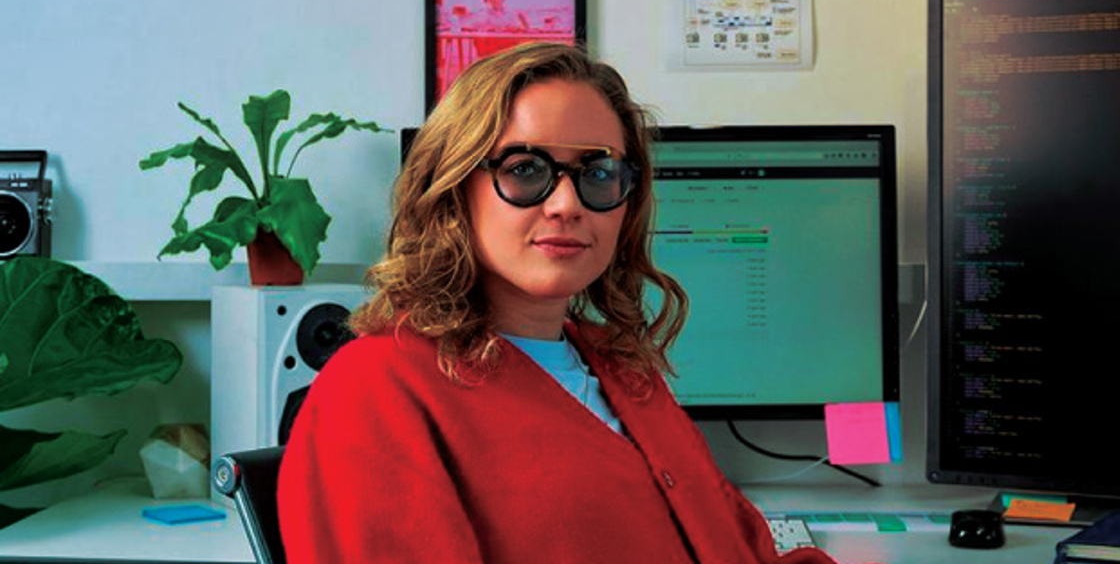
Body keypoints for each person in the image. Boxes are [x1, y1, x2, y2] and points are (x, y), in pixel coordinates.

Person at [277, 42, 836, 563]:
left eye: (597, 173)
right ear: (453, 189)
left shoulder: (622, 369)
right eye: (525, 169)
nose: (567, 203)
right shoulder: (376, 388)